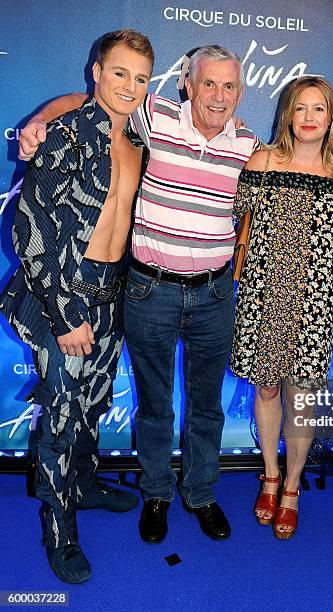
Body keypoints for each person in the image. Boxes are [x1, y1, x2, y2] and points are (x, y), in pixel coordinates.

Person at [19, 45, 260, 543]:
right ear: (187, 84)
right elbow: (90, 102)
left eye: (230, 86)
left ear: (241, 91)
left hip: (212, 296)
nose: (218, 96)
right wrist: (39, 120)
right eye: (208, 83)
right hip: (149, 291)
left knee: (205, 405)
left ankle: (200, 493)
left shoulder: (250, 146)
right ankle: (154, 494)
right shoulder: (154, 117)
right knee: (152, 405)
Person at [0, 29, 154, 583]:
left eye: (140, 77)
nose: (129, 87)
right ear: (96, 72)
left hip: (114, 292)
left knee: (91, 404)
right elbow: (30, 228)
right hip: (61, 294)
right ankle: (57, 525)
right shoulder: (65, 135)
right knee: (62, 416)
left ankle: (84, 485)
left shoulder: (140, 143)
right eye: (119, 73)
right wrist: (66, 315)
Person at [230, 76, 333, 539]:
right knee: (266, 390)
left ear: (331, 118)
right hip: (263, 295)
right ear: (288, 113)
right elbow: (231, 213)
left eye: (319, 109)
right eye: (300, 107)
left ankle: (291, 487)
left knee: (301, 399)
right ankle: (269, 473)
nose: (309, 117)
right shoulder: (262, 160)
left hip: (313, 299)